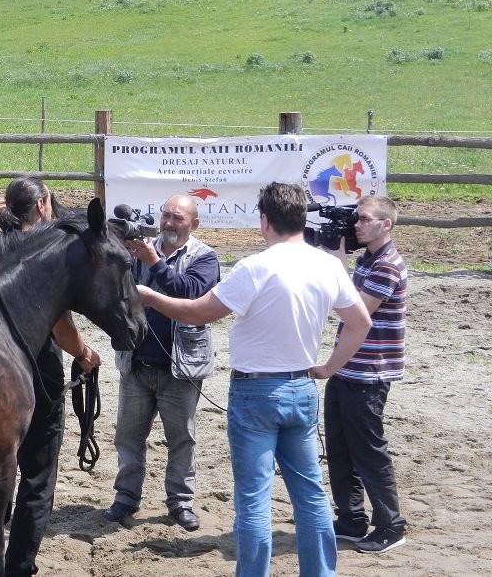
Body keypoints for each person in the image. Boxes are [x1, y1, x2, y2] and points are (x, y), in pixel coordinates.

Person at [134, 182, 372, 576]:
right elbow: (359, 323)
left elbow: (196, 312)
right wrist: (330, 366)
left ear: (265, 221)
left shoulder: (255, 267)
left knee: (253, 499)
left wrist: (151, 296)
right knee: (310, 494)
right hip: (301, 386)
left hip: (255, 391)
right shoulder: (328, 265)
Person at [0, 176, 102, 576]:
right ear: (41, 206)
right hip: (36, 377)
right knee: (37, 478)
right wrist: (85, 354)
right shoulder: (45, 255)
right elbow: (61, 327)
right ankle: (20, 565)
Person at [103, 194, 220, 532]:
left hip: (181, 368)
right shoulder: (138, 249)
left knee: (182, 438)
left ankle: (180, 502)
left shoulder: (205, 256)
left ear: (194, 224)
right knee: (127, 437)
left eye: (177, 218)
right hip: (136, 364)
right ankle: (125, 498)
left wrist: (153, 260)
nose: (168, 222)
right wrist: (121, 249)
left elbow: (189, 291)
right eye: (166, 215)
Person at [323, 195, 408, 554]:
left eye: (364, 219)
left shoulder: (387, 265)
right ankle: (351, 518)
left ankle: (391, 525)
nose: (356, 224)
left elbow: (356, 312)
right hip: (348, 369)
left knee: (369, 452)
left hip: (369, 375)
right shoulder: (369, 260)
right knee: (340, 449)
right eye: (356, 218)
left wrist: (337, 269)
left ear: (385, 224)